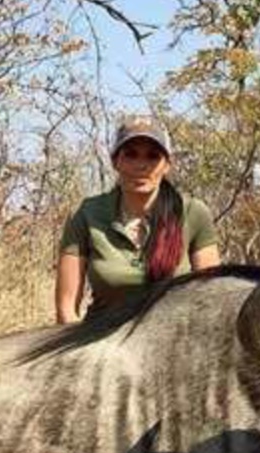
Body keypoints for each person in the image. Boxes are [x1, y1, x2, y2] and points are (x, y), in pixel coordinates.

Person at [55, 116, 221, 323]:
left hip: (173, 343)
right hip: (100, 343)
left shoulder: (193, 213)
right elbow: (66, 310)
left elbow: (209, 302)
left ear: (167, 165)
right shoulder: (88, 213)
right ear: (116, 161)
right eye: (131, 155)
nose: (141, 165)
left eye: (152, 156)